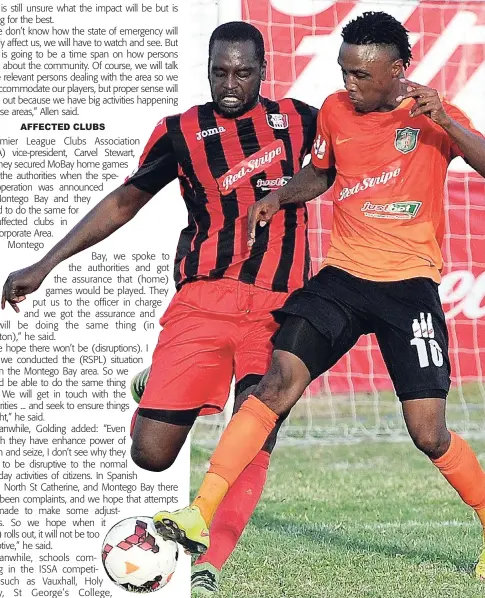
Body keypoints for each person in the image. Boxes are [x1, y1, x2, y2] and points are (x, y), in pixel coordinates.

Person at [153, 11, 485, 580]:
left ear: (398, 70)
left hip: (408, 288)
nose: (348, 83)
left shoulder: (433, 116)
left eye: (360, 74)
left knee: (427, 432)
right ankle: (200, 511)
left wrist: (450, 126)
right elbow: (323, 173)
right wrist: (281, 196)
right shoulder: (334, 110)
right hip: (343, 277)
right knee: (276, 380)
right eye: (344, 70)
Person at [1, 22, 323, 594]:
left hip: (280, 307)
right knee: (151, 455)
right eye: (219, 71)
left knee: (253, 435)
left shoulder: (303, 121)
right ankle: (153, 391)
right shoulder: (180, 132)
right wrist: (43, 265)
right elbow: (125, 200)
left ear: (262, 69)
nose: (230, 83)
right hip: (202, 299)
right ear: (207, 66)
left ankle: (208, 567)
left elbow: (352, 161)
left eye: (242, 73)